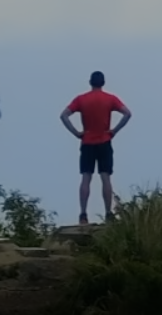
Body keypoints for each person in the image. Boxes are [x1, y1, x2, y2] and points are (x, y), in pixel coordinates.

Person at [59, 70, 132, 225]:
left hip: (87, 142)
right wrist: (114, 131)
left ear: (90, 82)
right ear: (103, 82)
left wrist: (76, 133)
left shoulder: (81, 99)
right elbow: (127, 113)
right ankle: (108, 213)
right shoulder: (110, 99)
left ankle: (83, 214)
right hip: (104, 140)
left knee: (86, 178)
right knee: (106, 177)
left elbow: (64, 115)